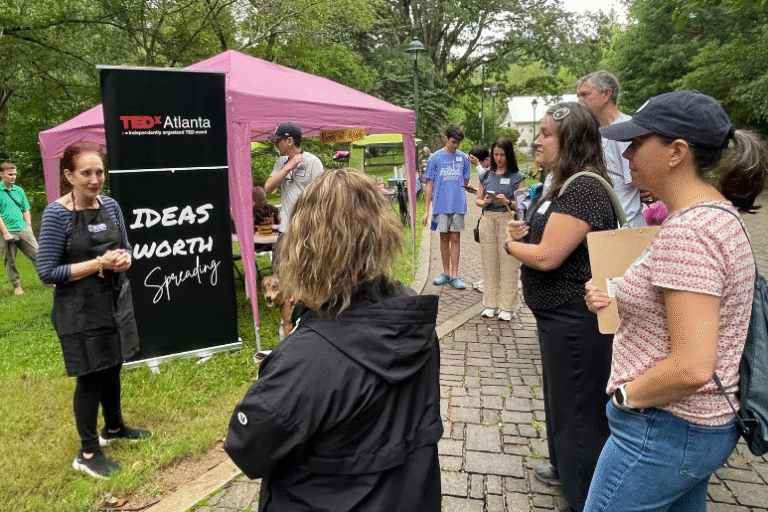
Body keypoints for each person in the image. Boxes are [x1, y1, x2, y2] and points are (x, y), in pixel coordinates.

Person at [583, 90, 767, 512]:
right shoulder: (717, 215)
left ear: (676, 152)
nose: (626, 153)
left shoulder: (690, 233)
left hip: (663, 428)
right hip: (695, 428)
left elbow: (692, 366)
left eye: (638, 141)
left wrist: (627, 398)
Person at [225, 167, 442, 512]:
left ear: (304, 246)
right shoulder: (409, 316)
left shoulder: (306, 358)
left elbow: (246, 447)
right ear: (380, 232)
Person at [504, 102, 617, 512]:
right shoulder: (561, 184)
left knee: (580, 408)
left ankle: (584, 493)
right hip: (556, 315)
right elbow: (547, 236)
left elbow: (549, 257)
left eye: (547, 133)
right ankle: (564, 466)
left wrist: (510, 243)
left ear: (571, 142)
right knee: (560, 398)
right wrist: (525, 229)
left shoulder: (584, 187)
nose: (537, 140)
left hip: (575, 318)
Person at [36, 142, 151, 479]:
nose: (94, 179)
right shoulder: (57, 215)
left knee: (112, 366)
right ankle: (88, 452)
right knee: (90, 377)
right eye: (86, 172)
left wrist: (125, 259)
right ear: (69, 175)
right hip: (80, 310)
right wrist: (98, 263)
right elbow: (47, 272)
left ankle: (114, 429)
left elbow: (126, 248)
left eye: (99, 171)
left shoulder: (111, 205)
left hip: (114, 302)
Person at [577, 70, 646, 227]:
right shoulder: (590, 133)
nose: (580, 101)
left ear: (606, 94)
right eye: (578, 96)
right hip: (603, 228)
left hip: (625, 229)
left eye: (585, 95)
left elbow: (640, 181)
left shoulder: (626, 129)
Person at [475, 138, 526, 321]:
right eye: (495, 154)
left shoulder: (517, 177)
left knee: (509, 265)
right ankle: (491, 303)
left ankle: (508, 306)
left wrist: (507, 202)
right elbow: (478, 200)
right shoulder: (486, 175)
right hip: (488, 219)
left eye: (502, 155)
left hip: (507, 220)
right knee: (489, 264)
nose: (498, 158)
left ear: (508, 155)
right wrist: (485, 201)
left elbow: (522, 205)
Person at [263, 122, 324, 273]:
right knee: (279, 271)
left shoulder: (313, 162)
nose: (275, 143)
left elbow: (323, 196)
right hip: (286, 228)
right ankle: (282, 296)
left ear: (289, 141)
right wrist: (289, 167)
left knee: (306, 271)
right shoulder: (281, 162)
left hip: (307, 229)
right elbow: (268, 187)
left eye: (278, 140)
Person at [421, 124, 472, 289]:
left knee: (455, 238)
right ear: (446, 138)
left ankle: (455, 275)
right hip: (440, 205)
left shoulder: (464, 158)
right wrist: (426, 211)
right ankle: (446, 272)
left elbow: (465, 182)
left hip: (457, 205)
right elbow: (429, 184)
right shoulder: (435, 158)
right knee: (443, 237)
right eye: (452, 142)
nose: (455, 145)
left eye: (458, 142)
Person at [0, 162, 38, 295]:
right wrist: (5, 233)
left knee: (37, 255)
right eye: (10, 174)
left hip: (22, 228)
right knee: (9, 260)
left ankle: (48, 281)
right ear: (1, 174)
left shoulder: (19, 190)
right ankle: (17, 286)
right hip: (6, 231)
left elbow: (25, 209)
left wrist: (28, 227)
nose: (13, 177)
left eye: (15, 174)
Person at [252, 185, 280, 253]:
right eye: (260, 201)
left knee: (280, 243)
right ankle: (256, 252)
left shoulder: (272, 209)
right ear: (254, 201)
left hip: (272, 239)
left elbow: (279, 224)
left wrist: (276, 221)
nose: (263, 202)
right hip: (258, 241)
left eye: (264, 199)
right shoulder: (251, 212)